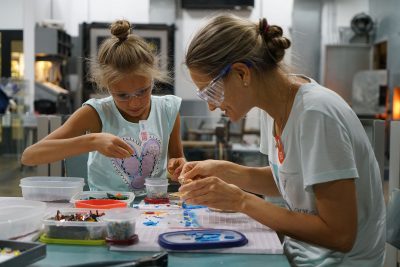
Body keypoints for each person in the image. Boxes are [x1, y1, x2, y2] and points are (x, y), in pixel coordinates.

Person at [176, 14, 385, 266]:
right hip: (301, 253)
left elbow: (340, 236)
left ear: (242, 73)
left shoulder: (316, 114)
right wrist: (224, 171)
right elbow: (290, 180)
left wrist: (241, 200)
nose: (211, 105)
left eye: (211, 91)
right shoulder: (274, 107)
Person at [22, 20, 186, 192]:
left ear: (152, 78)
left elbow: (176, 158)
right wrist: (92, 141)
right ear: (107, 86)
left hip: (153, 206)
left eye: (142, 91)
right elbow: (30, 156)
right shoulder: (96, 113)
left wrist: (178, 167)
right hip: (106, 206)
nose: (134, 103)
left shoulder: (168, 109)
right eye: (122, 95)